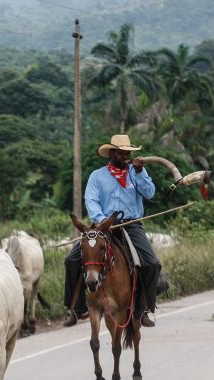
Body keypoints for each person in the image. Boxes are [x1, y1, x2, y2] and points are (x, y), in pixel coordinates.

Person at [62, 134, 162, 328]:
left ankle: (144, 309)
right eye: (121, 152)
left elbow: (150, 193)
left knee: (151, 263)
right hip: (102, 228)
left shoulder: (136, 171)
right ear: (112, 153)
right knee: (71, 260)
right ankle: (76, 308)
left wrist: (141, 173)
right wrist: (102, 221)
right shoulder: (97, 176)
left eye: (128, 152)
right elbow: (91, 201)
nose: (125, 155)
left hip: (131, 225)